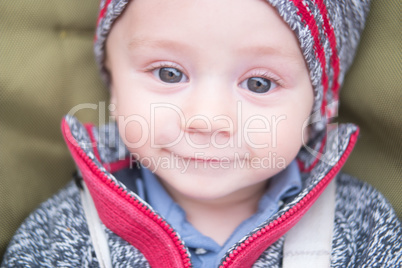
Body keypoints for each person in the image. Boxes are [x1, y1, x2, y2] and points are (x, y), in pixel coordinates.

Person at [2, 0, 401, 267]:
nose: (207, 120)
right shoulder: (62, 232)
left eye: (259, 84)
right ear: (113, 87)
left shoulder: (359, 227)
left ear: (320, 106)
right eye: (168, 73)